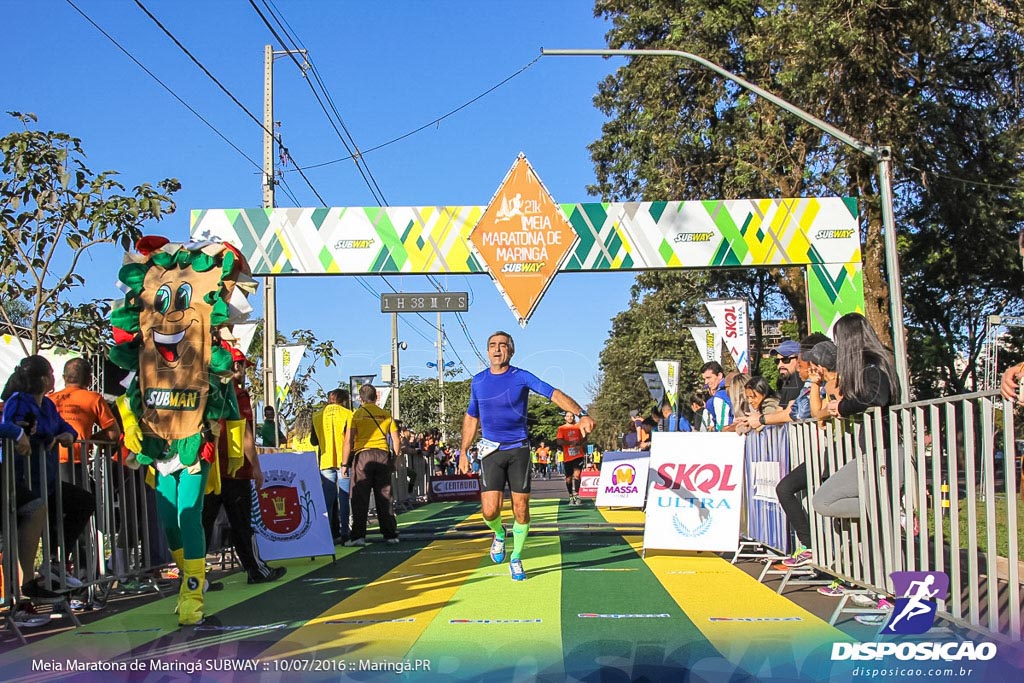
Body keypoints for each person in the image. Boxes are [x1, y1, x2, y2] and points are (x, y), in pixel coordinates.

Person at [458, 331, 595, 581]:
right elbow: (471, 417)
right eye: (492, 346)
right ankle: (499, 534)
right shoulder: (478, 381)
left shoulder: (520, 376)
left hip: (518, 450)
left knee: (521, 508)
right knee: (489, 511)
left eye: (502, 345)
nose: (497, 350)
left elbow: (552, 393)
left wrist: (581, 413)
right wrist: (463, 451)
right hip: (490, 450)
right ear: (487, 351)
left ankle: (517, 557)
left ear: (511, 351)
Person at [2, 356, 95, 591]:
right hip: (23, 479)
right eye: (52, 373)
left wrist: (68, 436)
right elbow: (18, 428)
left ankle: (52, 562)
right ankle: (21, 592)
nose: (56, 378)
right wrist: (46, 437)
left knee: (84, 501)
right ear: (44, 379)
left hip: (48, 480)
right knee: (17, 530)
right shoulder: (18, 401)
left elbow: (66, 428)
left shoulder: (49, 404)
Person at [202, 347, 286, 585]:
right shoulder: (234, 395)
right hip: (233, 470)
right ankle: (256, 570)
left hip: (211, 469)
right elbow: (245, 432)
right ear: (234, 367)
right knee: (241, 524)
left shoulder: (206, 391)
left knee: (204, 525)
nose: (246, 372)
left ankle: (196, 579)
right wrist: (256, 467)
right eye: (244, 367)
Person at [813, 313, 900, 519]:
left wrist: (842, 407)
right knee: (825, 501)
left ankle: (891, 513)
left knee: (824, 500)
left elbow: (875, 397)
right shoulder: (872, 363)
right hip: (874, 449)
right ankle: (886, 512)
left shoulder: (873, 364)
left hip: (883, 450)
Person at [343, 384, 400, 546]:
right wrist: (394, 461)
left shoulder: (356, 415)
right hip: (382, 455)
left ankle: (358, 536)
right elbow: (396, 441)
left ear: (360, 399)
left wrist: (344, 463)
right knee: (385, 495)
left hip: (363, 456)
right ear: (376, 397)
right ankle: (390, 535)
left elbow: (348, 441)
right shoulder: (386, 415)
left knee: (360, 496)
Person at [50, 357, 121, 468]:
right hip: (76, 460)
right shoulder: (94, 398)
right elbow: (113, 434)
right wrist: (88, 440)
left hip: (46, 458)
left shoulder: (50, 399)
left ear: (64, 378)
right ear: (90, 380)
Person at [311, 389, 353, 545]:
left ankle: (327, 535)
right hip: (344, 462)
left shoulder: (316, 416)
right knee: (343, 499)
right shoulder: (348, 414)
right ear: (344, 400)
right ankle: (345, 534)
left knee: (328, 500)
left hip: (325, 461)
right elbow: (350, 441)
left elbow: (314, 441)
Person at [557, 412, 587, 505]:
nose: (570, 418)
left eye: (572, 416)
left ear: (574, 417)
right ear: (565, 418)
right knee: (568, 478)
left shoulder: (578, 426)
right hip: (568, 457)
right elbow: (559, 441)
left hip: (578, 455)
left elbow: (585, 438)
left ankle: (577, 495)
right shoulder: (561, 428)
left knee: (577, 475)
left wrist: (580, 445)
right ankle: (571, 496)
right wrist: (569, 443)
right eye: (568, 416)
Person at [700, 361, 733, 431]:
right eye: (704, 379)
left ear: (720, 375)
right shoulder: (733, 387)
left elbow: (722, 426)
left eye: (709, 378)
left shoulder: (720, 396)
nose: (706, 382)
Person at [771, 340, 805, 408]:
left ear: (799, 359)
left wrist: (761, 418)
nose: (780, 365)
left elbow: (789, 414)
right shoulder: (787, 382)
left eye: (785, 360)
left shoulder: (797, 381)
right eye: (777, 361)